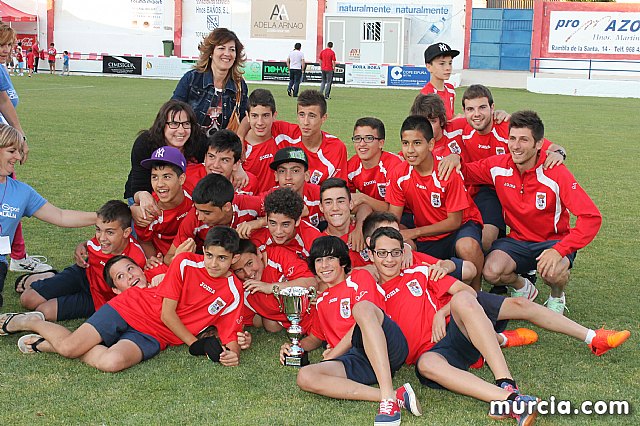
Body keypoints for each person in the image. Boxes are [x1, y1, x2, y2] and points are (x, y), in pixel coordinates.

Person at [370, 226, 629, 424]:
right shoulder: (365, 287)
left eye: (396, 251)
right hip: (436, 352)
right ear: (370, 255)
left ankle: (509, 380)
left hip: (458, 324)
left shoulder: (419, 269)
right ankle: (511, 401)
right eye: (382, 253)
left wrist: (441, 310)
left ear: (404, 250)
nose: (390, 259)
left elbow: (466, 285)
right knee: (426, 365)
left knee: (471, 299)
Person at [2, 227, 248, 371]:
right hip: (133, 307)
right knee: (68, 348)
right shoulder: (185, 263)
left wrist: (230, 353)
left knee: (111, 362)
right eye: (209, 255)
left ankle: (43, 344)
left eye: (222, 258)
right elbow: (166, 313)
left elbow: (230, 335)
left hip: (156, 335)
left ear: (234, 258)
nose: (213, 263)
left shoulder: (234, 291)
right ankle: (29, 321)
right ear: (202, 252)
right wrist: (195, 344)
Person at [462, 111, 602, 314]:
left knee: (553, 272)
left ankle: (556, 296)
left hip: (553, 241)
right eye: (512, 138)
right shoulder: (498, 166)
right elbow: (464, 172)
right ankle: (523, 287)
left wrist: (560, 249)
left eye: (524, 140)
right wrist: (453, 159)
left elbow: (591, 217)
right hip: (518, 241)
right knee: (491, 271)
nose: (516, 146)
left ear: (539, 144)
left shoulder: (555, 172)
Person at [281, 236, 420, 425]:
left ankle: (387, 399)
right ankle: (396, 396)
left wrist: (332, 355)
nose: (325, 265)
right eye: (319, 260)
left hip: (387, 346)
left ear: (342, 262)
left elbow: (364, 320)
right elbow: (315, 337)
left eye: (330, 258)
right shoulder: (321, 302)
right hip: (357, 359)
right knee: (305, 376)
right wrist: (293, 347)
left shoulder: (359, 277)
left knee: (361, 308)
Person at [0, 125, 97, 307]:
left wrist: (102, 217)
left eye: (19, 152)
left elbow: (60, 216)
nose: (19, 157)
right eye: (12, 151)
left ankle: (36, 279)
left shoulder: (21, 192)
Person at [386, 115, 484, 291]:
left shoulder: (446, 172)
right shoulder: (399, 174)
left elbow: (454, 221)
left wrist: (414, 232)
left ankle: (478, 291)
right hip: (428, 230)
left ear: (430, 145)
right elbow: (394, 216)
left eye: (417, 143)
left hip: (460, 226)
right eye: (405, 143)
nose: (410, 150)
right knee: (401, 240)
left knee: (467, 246)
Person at [19, 200, 147, 321]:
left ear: (126, 232)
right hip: (84, 273)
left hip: (98, 298)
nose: (102, 238)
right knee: (27, 300)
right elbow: (91, 244)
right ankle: (50, 276)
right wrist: (82, 246)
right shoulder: (103, 241)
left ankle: (52, 282)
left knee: (44, 311)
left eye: (109, 232)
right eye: (98, 230)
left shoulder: (136, 258)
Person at [164, 173, 262, 265]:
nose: (200, 217)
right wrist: (178, 258)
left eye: (207, 213)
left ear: (227, 207)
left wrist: (259, 222)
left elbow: (276, 206)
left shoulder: (248, 204)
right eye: (198, 210)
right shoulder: (194, 217)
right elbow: (168, 258)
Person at [172, 28, 249, 138]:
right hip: (191, 145)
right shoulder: (192, 79)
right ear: (211, 53)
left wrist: (240, 137)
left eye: (232, 49)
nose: (227, 54)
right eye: (221, 48)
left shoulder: (240, 85)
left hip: (222, 149)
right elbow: (173, 111)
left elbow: (245, 118)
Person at [124, 99, 205, 203]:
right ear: (162, 125)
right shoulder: (145, 143)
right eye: (174, 123)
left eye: (186, 124)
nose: (181, 130)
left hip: (182, 198)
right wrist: (140, 202)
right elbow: (138, 184)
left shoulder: (198, 141)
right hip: (144, 192)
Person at [231, 239, 316, 332]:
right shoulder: (239, 285)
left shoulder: (278, 255)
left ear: (259, 253)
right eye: (239, 270)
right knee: (269, 325)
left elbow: (312, 283)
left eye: (249, 263)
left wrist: (271, 287)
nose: (247, 273)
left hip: (315, 313)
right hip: (288, 320)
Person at [270, 90, 348, 185]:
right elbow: (257, 121)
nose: (306, 122)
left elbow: (338, 190)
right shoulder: (285, 133)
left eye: (312, 116)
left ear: (323, 118)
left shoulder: (336, 148)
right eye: (302, 115)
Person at [133, 146, 193, 263]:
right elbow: (145, 241)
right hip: (163, 260)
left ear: (181, 179)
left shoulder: (194, 198)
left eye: (166, 177)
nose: (160, 184)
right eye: (154, 177)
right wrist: (154, 261)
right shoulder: (148, 211)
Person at [347, 117, 403, 212]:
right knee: (364, 210)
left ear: (381, 143)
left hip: (405, 214)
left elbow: (392, 210)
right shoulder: (351, 166)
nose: (362, 144)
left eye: (369, 138)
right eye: (357, 138)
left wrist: (363, 198)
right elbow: (346, 202)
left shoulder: (393, 165)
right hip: (375, 213)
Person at [250, 187, 322, 259]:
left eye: (285, 224)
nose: (278, 231)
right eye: (273, 223)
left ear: (297, 221)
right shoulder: (256, 236)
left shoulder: (313, 240)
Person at [183, 129, 259, 195]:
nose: (216, 165)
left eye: (225, 160)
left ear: (236, 164)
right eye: (211, 157)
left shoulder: (248, 183)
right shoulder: (187, 178)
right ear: (205, 157)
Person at [320, 178, 372, 268]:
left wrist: (360, 227)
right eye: (328, 202)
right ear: (321, 207)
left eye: (341, 201)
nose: (335, 208)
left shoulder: (366, 229)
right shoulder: (320, 244)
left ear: (351, 204)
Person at [242, 88, 280, 193]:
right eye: (254, 116)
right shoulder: (240, 148)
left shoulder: (283, 137)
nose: (260, 122)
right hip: (250, 207)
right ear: (247, 116)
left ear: (274, 116)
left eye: (265, 116)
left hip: (276, 206)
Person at [420, 43, 459, 121]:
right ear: (429, 67)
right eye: (442, 64)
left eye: (450, 63)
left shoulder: (450, 89)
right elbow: (431, 125)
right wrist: (457, 120)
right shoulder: (427, 95)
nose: (448, 68)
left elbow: (450, 115)